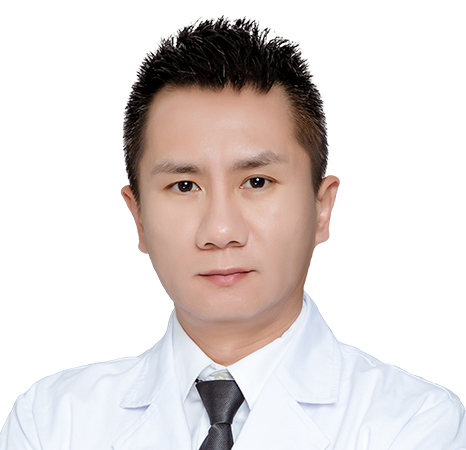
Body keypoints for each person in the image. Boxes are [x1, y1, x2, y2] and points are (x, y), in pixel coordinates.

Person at [1, 17, 464, 450]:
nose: (220, 231)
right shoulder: (52, 422)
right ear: (138, 217)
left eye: (257, 182)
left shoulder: (414, 422)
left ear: (321, 208)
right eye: (184, 186)